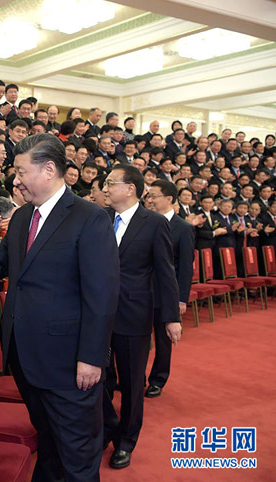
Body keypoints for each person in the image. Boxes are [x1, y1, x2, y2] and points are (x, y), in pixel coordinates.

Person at [0, 133, 120, 481]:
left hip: (69, 363)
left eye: (21, 172)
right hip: (24, 358)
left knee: (78, 456)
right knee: (49, 443)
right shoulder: (23, 217)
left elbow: (102, 295)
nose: (16, 180)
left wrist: (92, 357)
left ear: (48, 169)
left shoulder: (89, 218)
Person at [102, 164, 180, 469]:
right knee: (98, 378)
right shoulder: (100, 218)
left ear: (130, 188)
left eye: (111, 183)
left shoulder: (154, 223)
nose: (105, 189)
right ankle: (106, 428)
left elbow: (165, 272)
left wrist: (171, 317)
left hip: (133, 314)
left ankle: (126, 440)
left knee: (132, 382)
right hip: (98, 314)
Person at [145, 180, 194, 398]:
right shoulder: (145, 221)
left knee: (163, 340)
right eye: (148, 196)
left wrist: (181, 299)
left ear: (169, 199)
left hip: (166, 294)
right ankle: (134, 376)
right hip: (141, 291)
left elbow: (185, 268)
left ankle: (158, 379)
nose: (150, 200)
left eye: (154, 196)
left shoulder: (183, 228)